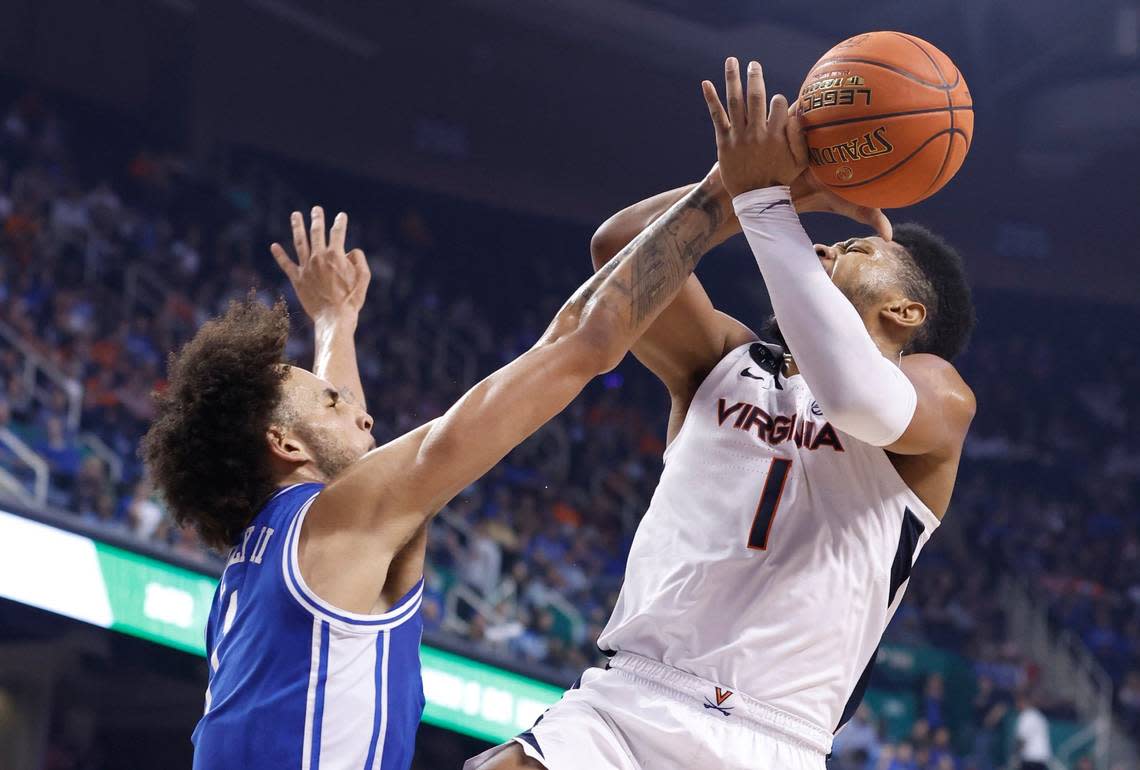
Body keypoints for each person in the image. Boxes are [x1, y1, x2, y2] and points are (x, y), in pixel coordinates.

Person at [470, 58, 975, 770]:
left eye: (855, 248)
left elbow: (858, 397)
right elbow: (618, 253)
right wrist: (732, 188)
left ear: (905, 311)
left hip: (771, 739)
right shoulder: (722, 358)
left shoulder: (938, 396)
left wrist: (768, 208)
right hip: (626, 702)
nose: (824, 242)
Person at [142, 175, 732, 770]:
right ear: (285, 444)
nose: (361, 411)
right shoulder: (334, 524)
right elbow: (584, 341)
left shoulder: (252, 571)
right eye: (331, 402)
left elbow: (347, 454)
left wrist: (335, 323)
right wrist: (733, 187)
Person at [1013, 691, 1052, 770]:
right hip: (1041, 760)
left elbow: (1022, 740)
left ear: (1023, 701)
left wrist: (1015, 758)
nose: (1016, 705)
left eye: (1017, 702)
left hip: (1031, 759)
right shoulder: (1039, 715)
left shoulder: (1026, 716)